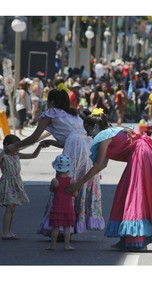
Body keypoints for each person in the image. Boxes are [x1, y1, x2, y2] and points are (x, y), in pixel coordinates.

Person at [65, 109, 152, 251]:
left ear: (95, 127)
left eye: (87, 129)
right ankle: (127, 238)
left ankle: (136, 239)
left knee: (134, 196)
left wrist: (78, 183)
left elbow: (98, 165)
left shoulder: (102, 137)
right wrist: (84, 182)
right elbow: (103, 165)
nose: (87, 133)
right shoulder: (109, 132)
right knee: (125, 193)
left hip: (140, 155)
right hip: (140, 155)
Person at [6, 88, 104, 236]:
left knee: (65, 183)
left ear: (51, 101)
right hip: (88, 146)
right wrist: (51, 141)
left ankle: (59, 225)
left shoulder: (50, 113)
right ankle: (74, 223)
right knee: (81, 183)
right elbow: (72, 139)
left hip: (75, 148)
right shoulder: (73, 114)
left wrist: (14, 146)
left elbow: (34, 137)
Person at [0, 134, 43, 240]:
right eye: (15, 146)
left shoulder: (16, 155)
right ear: (7, 145)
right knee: (9, 207)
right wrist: (3, 150)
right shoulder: (3, 156)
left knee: (13, 208)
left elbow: (33, 155)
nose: (17, 148)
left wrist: (40, 146)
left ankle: (9, 231)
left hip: (16, 182)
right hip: (7, 182)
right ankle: (5, 232)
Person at [46, 154, 76, 251]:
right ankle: (67, 245)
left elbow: (51, 190)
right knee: (67, 228)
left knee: (56, 227)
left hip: (57, 206)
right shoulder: (71, 181)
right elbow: (75, 194)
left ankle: (53, 245)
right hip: (68, 207)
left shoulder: (55, 180)